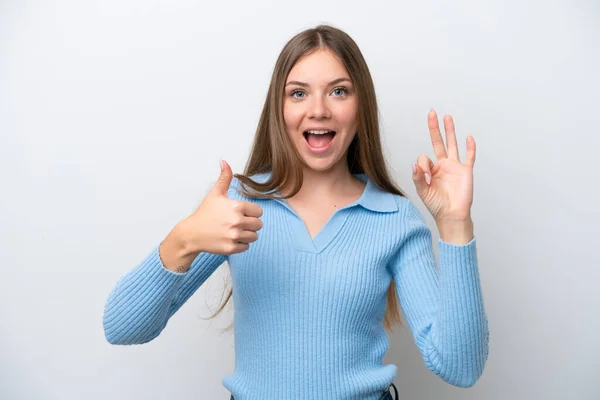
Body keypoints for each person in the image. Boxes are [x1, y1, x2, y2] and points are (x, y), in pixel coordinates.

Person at [103, 24, 489, 400]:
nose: (318, 110)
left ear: (361, 107)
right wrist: (184, 238)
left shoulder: (395, 219)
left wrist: (456, 226)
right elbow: (121, 327)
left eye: (338, 91)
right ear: (280, 108)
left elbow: (459, 367)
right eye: (298, 93)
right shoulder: (240, 204)